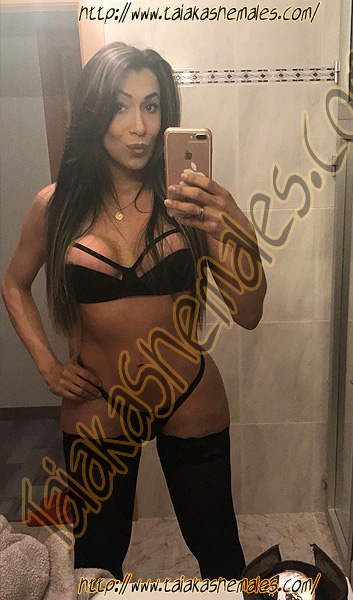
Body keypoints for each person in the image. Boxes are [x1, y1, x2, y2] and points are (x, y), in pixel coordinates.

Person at [1, 42, 267, 582]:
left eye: (151, 106)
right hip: (98, 401)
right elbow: (14, 284)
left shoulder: (191, 202)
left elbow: (248, 311)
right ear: (94, 111)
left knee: (219, 551)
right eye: (120, 106)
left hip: (188, 392)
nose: (139, 126)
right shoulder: (55, 205)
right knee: (96, 563)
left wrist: (234, 224)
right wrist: (48, 366)